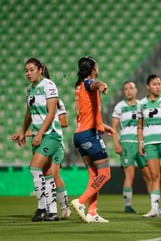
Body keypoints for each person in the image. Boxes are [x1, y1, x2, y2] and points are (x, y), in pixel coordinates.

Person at [12, 58, 64, 222]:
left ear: (40, 69)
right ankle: (53, 212)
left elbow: (51, 112)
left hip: (51, 134)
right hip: (38, 134)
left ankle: (42, 208)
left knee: (34, 168)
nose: (28, 73)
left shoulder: (49, 85)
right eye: (26, 70)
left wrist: (40, 133)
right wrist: (22, 132)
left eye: (32, 69)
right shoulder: (30, 89)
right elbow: (29, 114)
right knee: (47, 172)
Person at [71, 56, 114, 223]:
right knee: (105, 173)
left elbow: (87, 112)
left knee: (94, 174)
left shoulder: (79, 86)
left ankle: (92, 212)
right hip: (89, 134)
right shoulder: (89, 83)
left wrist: (103, 126)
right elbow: (94, 84)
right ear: (94, 68)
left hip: (80, 135)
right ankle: (80, 201)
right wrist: (101, 85)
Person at [137, 75, 161, 218]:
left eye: (159, 83)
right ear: (148, 86)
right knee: (155, 176)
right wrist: (140, 142)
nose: (158, 86)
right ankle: (154, 209)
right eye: (155, 84)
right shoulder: (141, 103)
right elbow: (140, 125)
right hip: (149, 143)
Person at [111, 81, 152, 214]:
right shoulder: (120, 107)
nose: (129, 90)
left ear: (135, 90)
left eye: (131, 88)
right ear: (124, 92)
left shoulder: (142, 105)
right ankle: (128, 205)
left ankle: (154, 205)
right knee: (130, 175)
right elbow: (114, 128)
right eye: (126, 89)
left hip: (141, 143)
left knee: (149, 175)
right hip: (127, 143)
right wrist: (116, 143)